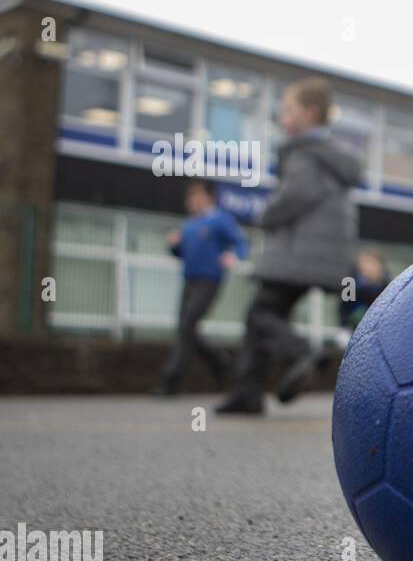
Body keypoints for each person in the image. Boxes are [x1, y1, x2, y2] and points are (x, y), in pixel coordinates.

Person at [217, 78, 362, 415]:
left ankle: (299, 352)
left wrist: (265, 215)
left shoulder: (306, 152)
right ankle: (248, 394)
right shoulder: (334, 157)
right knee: (264, 317)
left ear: (309, 113)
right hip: (322, 255)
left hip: (298, 253)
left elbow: (294, 196)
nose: (283, 118)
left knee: (261, 313)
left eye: (288, 110)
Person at [152, 180, 247, 396]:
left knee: (187, 325)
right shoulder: (189, 225)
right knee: (185, 329)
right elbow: (181, 253)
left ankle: (171, 382)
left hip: (209, 280)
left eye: (195, 196)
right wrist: (174, 245)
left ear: (208, 198)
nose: (191, 202)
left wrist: (234, 255)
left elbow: (241, 242)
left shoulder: (220, 220)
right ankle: (220, 360)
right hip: (189, 280)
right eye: (189, 197)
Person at [338, 248, 390, 333]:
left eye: (371, 265)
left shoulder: (387, 287)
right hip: (353, 329)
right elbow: (344, 308)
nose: (366, 271)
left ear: (379, 267)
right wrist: (345, 327)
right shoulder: (350, 284)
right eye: (364, 267)